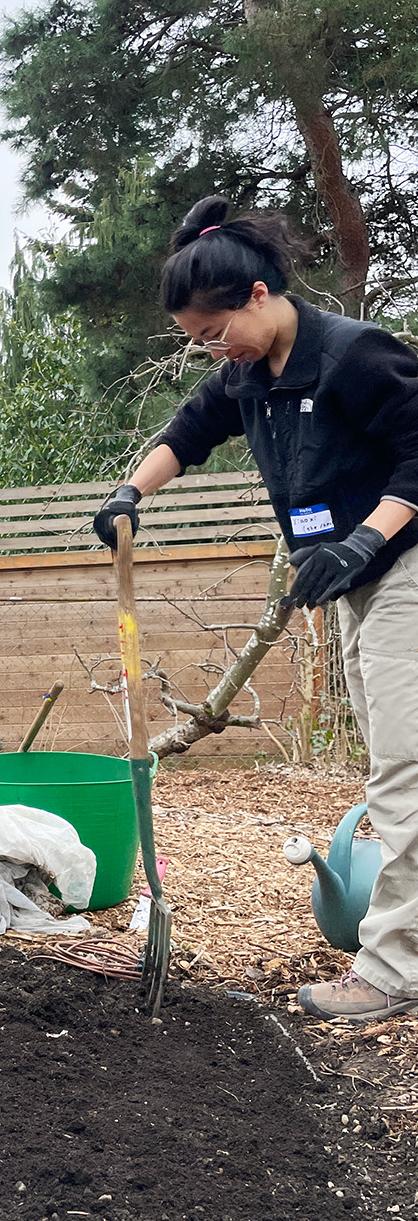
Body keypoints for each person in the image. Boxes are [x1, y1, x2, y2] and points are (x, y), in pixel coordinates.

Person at [92, 196, 418, 1022]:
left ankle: (392, 971)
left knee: (404, 775)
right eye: (198, 341)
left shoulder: (353, 355)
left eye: (212, 332)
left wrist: (363, 543)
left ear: (260, 295)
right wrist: (132, 491)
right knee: (395, 762)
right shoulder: (251, 376)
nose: (211, 350)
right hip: (358, 585)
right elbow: (190, 428)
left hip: (405, 568)